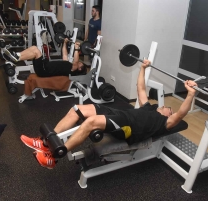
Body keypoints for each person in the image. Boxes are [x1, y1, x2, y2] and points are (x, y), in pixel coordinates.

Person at [20, 60, 197, 169]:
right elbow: (141, 88)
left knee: (91, 122)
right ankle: (44, 143)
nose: (168, 107)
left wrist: (190, 94)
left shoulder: (163, 122)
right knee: (78, 109)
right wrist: (143, 68)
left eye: (169, 110)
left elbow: (181, 113)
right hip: (121, 114)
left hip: (130, 128)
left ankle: (54, 157)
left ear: (168, 115)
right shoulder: (148, 107)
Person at [2, 38, 86, 77]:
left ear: (79, 68)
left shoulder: (72, 70)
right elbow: (64, 54)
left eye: (80, 63)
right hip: (44, 66)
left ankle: (17, 58)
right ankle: (16, 55)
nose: (78, 62)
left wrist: (77, 48)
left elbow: (75, 61)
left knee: (36, 52)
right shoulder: (68, 65)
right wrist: (64, 43)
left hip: (44, 70)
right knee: (34, 48)